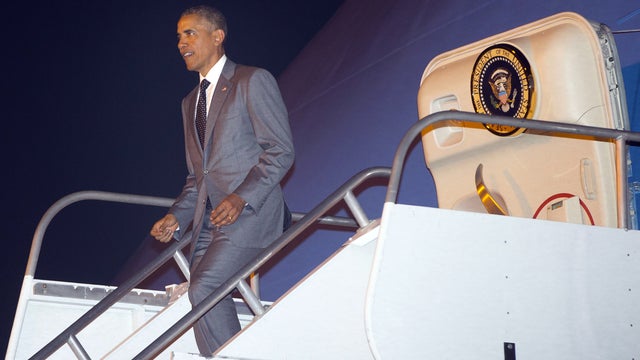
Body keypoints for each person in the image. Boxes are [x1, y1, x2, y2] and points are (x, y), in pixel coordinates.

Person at [150, 5, 295, 355]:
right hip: (207, 224)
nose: (181, 43)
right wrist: (176, 216)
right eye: (179, 36)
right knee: (203, 299)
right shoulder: (189, 103)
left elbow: (281, 150)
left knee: (204, 288)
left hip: (250, 214)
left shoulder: (252, 80)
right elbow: (198, 176)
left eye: (190, 33)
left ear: (217, 37)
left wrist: (240, 196)